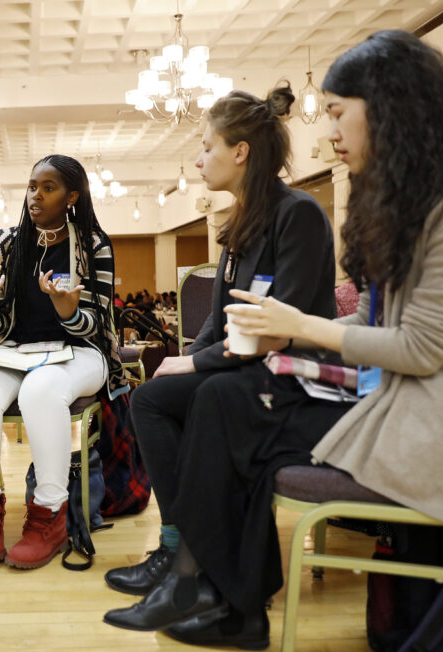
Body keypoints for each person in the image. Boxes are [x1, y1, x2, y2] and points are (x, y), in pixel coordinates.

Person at [103, 30, 443, 651]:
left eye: (335, 113)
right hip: (393, 404)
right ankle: (219, 595)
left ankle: (215, 590)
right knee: (224, 401)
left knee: (227, 403)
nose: (328, 133)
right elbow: (380, 328)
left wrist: (296, 326)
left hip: (435, 430)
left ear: (387, 107)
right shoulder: (420, 196)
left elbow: (421, 350)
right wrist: (287, 329)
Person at [104, 83, 336, 598]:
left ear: (241, 151)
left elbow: (284, 327)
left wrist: (196, 365)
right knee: (156, 395)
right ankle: (183, 548)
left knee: (159, 401)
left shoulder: (296, 215)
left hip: (292, 378)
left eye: (207, 147)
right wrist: (189, 359)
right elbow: (218, 319)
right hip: (248, 366)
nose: (198, 159)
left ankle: (184, 550)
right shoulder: (239, 222)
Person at [0, 154, 128, 569]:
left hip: (81, 353)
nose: (35, 196)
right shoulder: (3, 244)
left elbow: (98, 324)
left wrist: (68, 311)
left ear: (72, 196)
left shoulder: (91, 245)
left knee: (41, 390)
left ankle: (48, 515)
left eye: (48, 188)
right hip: (12, 351)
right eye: (32, 186)